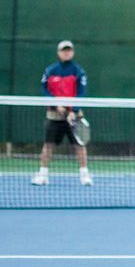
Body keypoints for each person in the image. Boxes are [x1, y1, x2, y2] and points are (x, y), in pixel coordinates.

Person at [31, 40, 91, 186]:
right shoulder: (50, 70)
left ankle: (85, 176)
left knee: (79, 145)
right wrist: (56, 104)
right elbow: (45, 90)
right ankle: (43, 175)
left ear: (72, 52)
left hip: (74, 115)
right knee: (48, 145)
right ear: (59, 52)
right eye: (64, 50)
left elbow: (82, 92)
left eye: (69, 50)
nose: (66, 52)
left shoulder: (78, 71)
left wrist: (73, 110)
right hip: (54, 115)